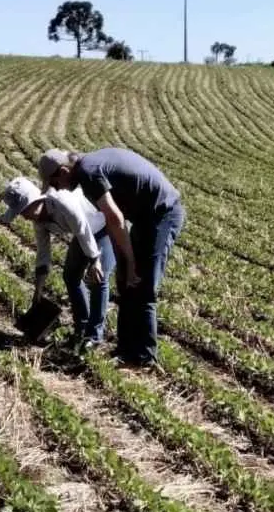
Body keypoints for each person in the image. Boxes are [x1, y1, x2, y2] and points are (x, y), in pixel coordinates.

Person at [38, 148, 184, 369]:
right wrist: (126, 264)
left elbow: (115, 218)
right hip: (143, 217)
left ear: (64, 170)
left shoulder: (88, 173)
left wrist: (132, 262)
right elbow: (116, 221)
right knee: (125, 282)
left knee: (144, 287)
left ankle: (145, 357)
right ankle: (125, 350)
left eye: (54, 182)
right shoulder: (89, 167)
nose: (56, 188)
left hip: (162, 214)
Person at [0, 176, 116, 349]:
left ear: (34, 201)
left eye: (23, 211)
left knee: (98, 279)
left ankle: (94, 336)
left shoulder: (63, 201)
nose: (23, 217)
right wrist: (37, 291)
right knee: (70, 276)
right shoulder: (39, 221)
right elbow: (43, 254)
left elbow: (83, 228)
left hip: (103, 226)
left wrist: (95, 261)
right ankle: (81, 327)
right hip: (82, 233)